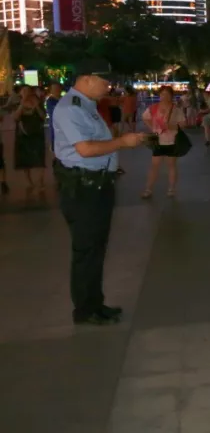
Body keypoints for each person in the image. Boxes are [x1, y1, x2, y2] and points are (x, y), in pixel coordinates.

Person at [53, 59, 145, 325]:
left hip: (97, 185)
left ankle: (95, 303)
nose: (108, 86)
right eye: (104, 81)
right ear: (87, 79)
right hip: (83, 189)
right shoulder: (70, 108)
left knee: (96, 249)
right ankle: (85, 310)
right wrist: (122, 142)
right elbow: (85, 149)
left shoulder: (87, 106)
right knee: (86, 250)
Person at [141, 86, 186, 198]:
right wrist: (152, 127)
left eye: (167, 94)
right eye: (162, 94)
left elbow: (183, 124)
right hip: (158, 141)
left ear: (171, 96)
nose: (164, 96)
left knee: (171, 165)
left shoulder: (176, 109)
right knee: (154, 165)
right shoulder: (153, 108)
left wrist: (171, 126)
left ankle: (171, 188)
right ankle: (148, 189)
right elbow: (145, 117)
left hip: (172, 140)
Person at [15, 85, 48, 199]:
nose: (26, 93)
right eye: (23, 91)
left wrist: (36, 106)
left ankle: (40, 181)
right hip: (24, 135)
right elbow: (16, 117)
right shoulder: (19, 104)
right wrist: (22, 104)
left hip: (37, 134)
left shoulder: (38, 102)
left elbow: (43, 117)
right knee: (25, 160)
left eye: (27, 91)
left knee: (40, 158)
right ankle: (29, 182)